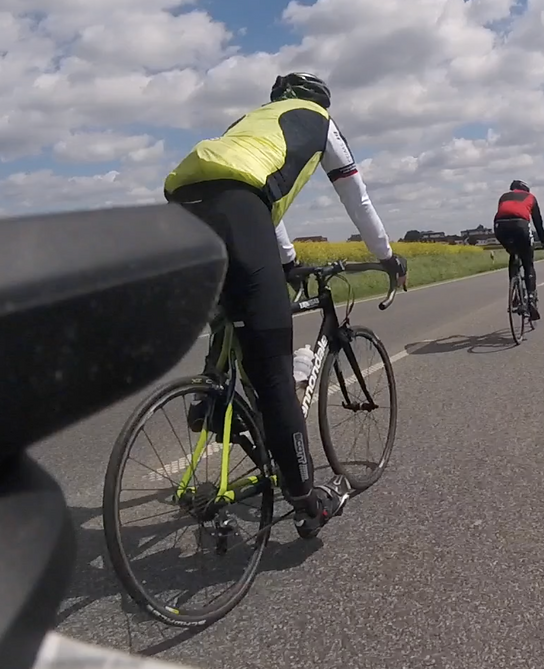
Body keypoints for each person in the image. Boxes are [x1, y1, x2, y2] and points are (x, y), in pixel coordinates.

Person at [164, 72, 408, 538]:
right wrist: (386, 256)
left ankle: (210, 399)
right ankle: (306, 501)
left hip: (182, 199)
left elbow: (260, 202)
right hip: (238, 205)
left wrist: (288, 261)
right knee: (273, 365)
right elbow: (356, 195)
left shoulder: (249, 122)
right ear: (322, 101)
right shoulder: (320, 122)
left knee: (235, 316)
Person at [494, 179, 544, 320]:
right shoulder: (530, 197)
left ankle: (515, 294)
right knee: (527, 262)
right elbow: (538, 222)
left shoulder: (503, 196)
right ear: (526, 189)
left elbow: (502, 213)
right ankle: (530, 298)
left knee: (513, 255)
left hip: (499, 227)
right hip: (520, 225)